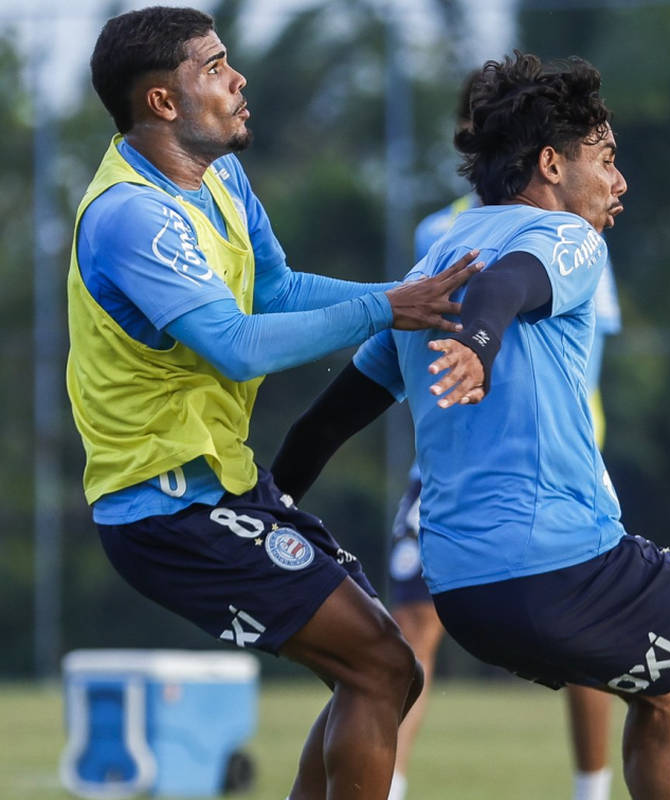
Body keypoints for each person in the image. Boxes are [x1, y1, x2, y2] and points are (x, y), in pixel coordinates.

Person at [271, 52, 670, 798]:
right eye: (606, 159)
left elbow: (326, 422)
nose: (619, 182)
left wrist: (266, 503)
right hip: (564, 570)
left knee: (669, 690)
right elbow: (511, 287)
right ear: (551, 164)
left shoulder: (432, 265)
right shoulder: (569, 237)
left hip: (467, 593)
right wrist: (479, 348)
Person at [65, 8, 482, 799]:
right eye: (216, 66)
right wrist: (394, 307)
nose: (238, 78)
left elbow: (280, 290)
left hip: (220, 486)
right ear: (162, 102)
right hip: (164, 510)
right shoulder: (133, 217)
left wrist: (417, 300)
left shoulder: (218, 173)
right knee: (383, 664)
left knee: (381, 668)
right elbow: (239, 343)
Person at [379, 193, 622, 800]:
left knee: (593, 631)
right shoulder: (437, 230)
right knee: (410, 623)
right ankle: (389, 786)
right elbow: (420, 340)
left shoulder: (578, 231)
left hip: (561, 467)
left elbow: (581, 342)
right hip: (452, 464)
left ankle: (590, 791)